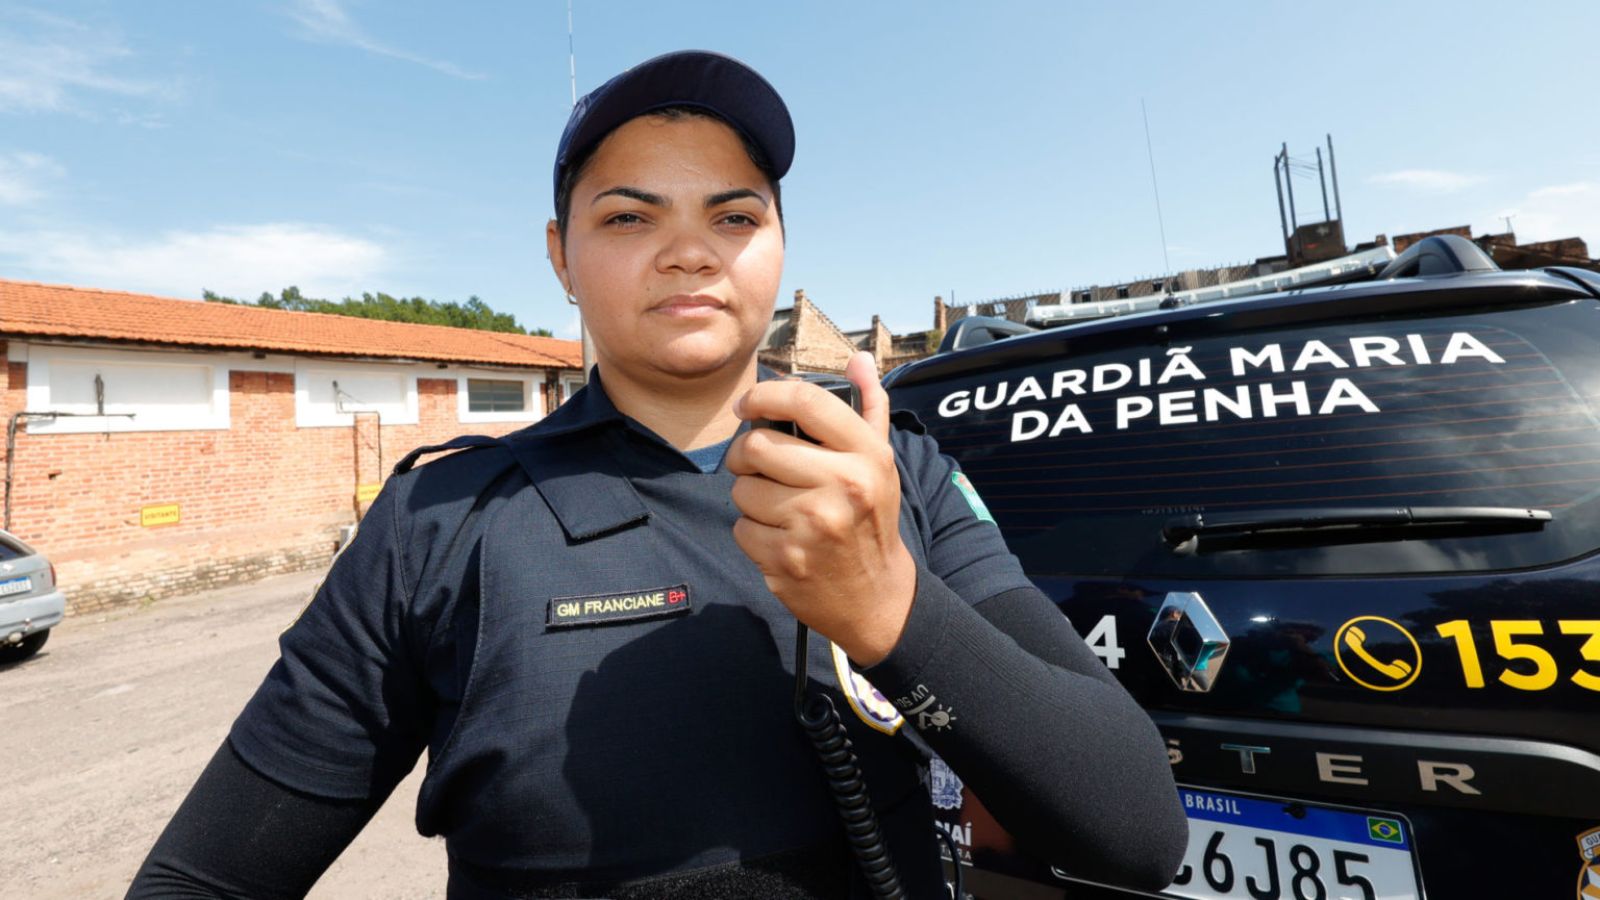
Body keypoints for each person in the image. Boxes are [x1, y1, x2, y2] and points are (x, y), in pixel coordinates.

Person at [128, 50, 1186, 899]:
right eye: (630, 217)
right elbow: (202, 877)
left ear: (778, 245)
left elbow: (1135, 832)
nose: (691, 252)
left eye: (733, 216)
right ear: (559, 253)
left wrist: (891, 609)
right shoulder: (440, 522)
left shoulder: (891, 480)